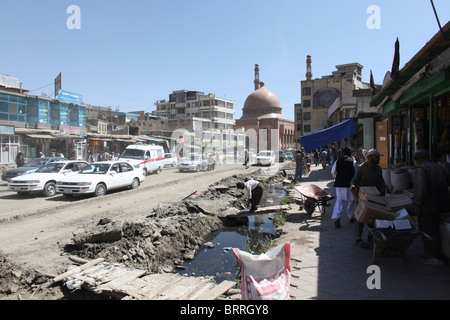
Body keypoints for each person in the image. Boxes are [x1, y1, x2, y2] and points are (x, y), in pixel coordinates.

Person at [413, 150, 450, 266]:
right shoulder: (439, 167)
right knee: (436, 229)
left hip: (428, 205)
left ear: (418, 159)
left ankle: (433, 256)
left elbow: (420, 188)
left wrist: (417, 204)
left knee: (429, 230)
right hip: (441, 204)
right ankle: (434, 253)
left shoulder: (422, 169)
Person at [350, 148, 386, 248]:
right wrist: (352, 187)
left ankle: (372, 233)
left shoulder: (378, 169)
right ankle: (358, 238)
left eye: (378, 157)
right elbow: (354, 181)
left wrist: (383, 191)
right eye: (376, 156)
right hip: (363, 197)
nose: (378, 158)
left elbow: (382, 182)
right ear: (370, 157)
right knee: (360, 218)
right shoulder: (362, 168)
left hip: (375, 197)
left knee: (374, 216)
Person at [331, 148, 359, 228]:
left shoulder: (338, 161)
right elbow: (356, 173)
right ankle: (350, 217)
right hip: (350, 185)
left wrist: (338, 177)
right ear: (350, 154)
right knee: (352, 201)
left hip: (340, 185)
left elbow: (333, 172)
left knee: (340, 201)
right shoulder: (353, 162)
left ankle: (337, 217)